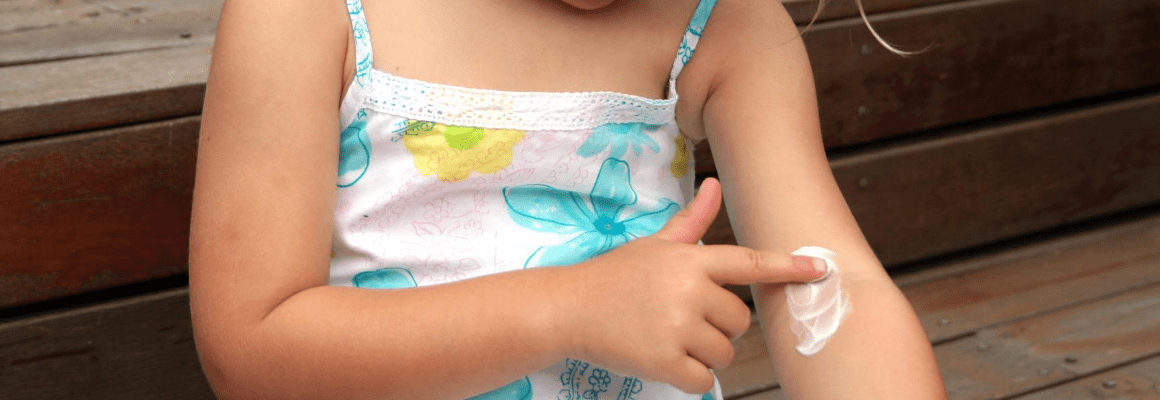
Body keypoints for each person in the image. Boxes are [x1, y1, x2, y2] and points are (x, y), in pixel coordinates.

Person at [188, 0, 947, 399]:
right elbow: (250, 351)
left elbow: (829, 285)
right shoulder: (308, 9)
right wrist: (569, 312)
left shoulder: (723, 25)